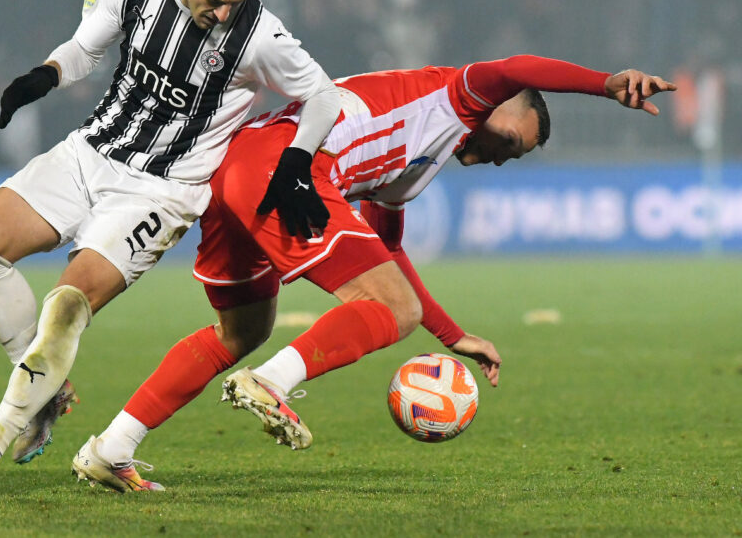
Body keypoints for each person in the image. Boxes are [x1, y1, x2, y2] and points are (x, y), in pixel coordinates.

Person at [72, 55, 675, 491]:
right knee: (391, 309)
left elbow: (389, 254)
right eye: (510, 142)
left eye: (513, 156)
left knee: (240, 332)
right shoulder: (458, 94)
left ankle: (112, 447)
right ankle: (273, 382)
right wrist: (606, 84)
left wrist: (450, 334)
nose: (499, 157)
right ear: (494, 107)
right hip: (286, 168)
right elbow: (518, 66)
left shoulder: (418, 167)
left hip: (240, 171)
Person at [0, 0, 342, 505]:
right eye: (214, 0)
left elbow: (324, 94)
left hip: (159, 190)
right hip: (91, 151)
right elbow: (84, 48)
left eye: (238, 1)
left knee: (66, 306)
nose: (225, 14)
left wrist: (298, 160)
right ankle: (43, 387)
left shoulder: (259, 35)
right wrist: (45, 75)